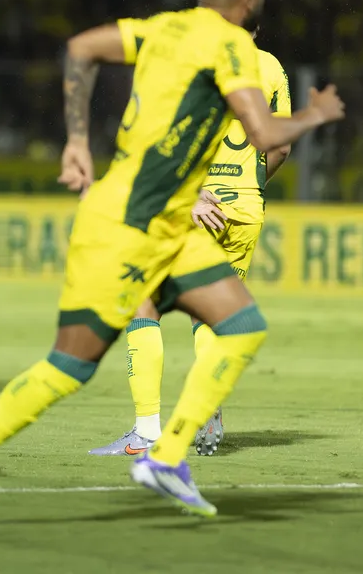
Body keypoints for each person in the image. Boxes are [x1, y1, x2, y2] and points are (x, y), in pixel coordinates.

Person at [0, 0, 344, 530]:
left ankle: (165, 455)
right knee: (72, 364)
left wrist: (74, 138)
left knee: (241, 323)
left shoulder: (163, 29)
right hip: (129, 225)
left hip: (169, 221)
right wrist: (317, 115)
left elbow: (79, 48)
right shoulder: (233, 49)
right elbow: (268, 132)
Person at [90, 43, 293, 458]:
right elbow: (282, 146)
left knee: (143, 302)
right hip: (245, 210)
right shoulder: (271, 65)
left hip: (193, 208)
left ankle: (146, 432)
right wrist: (249, 191)